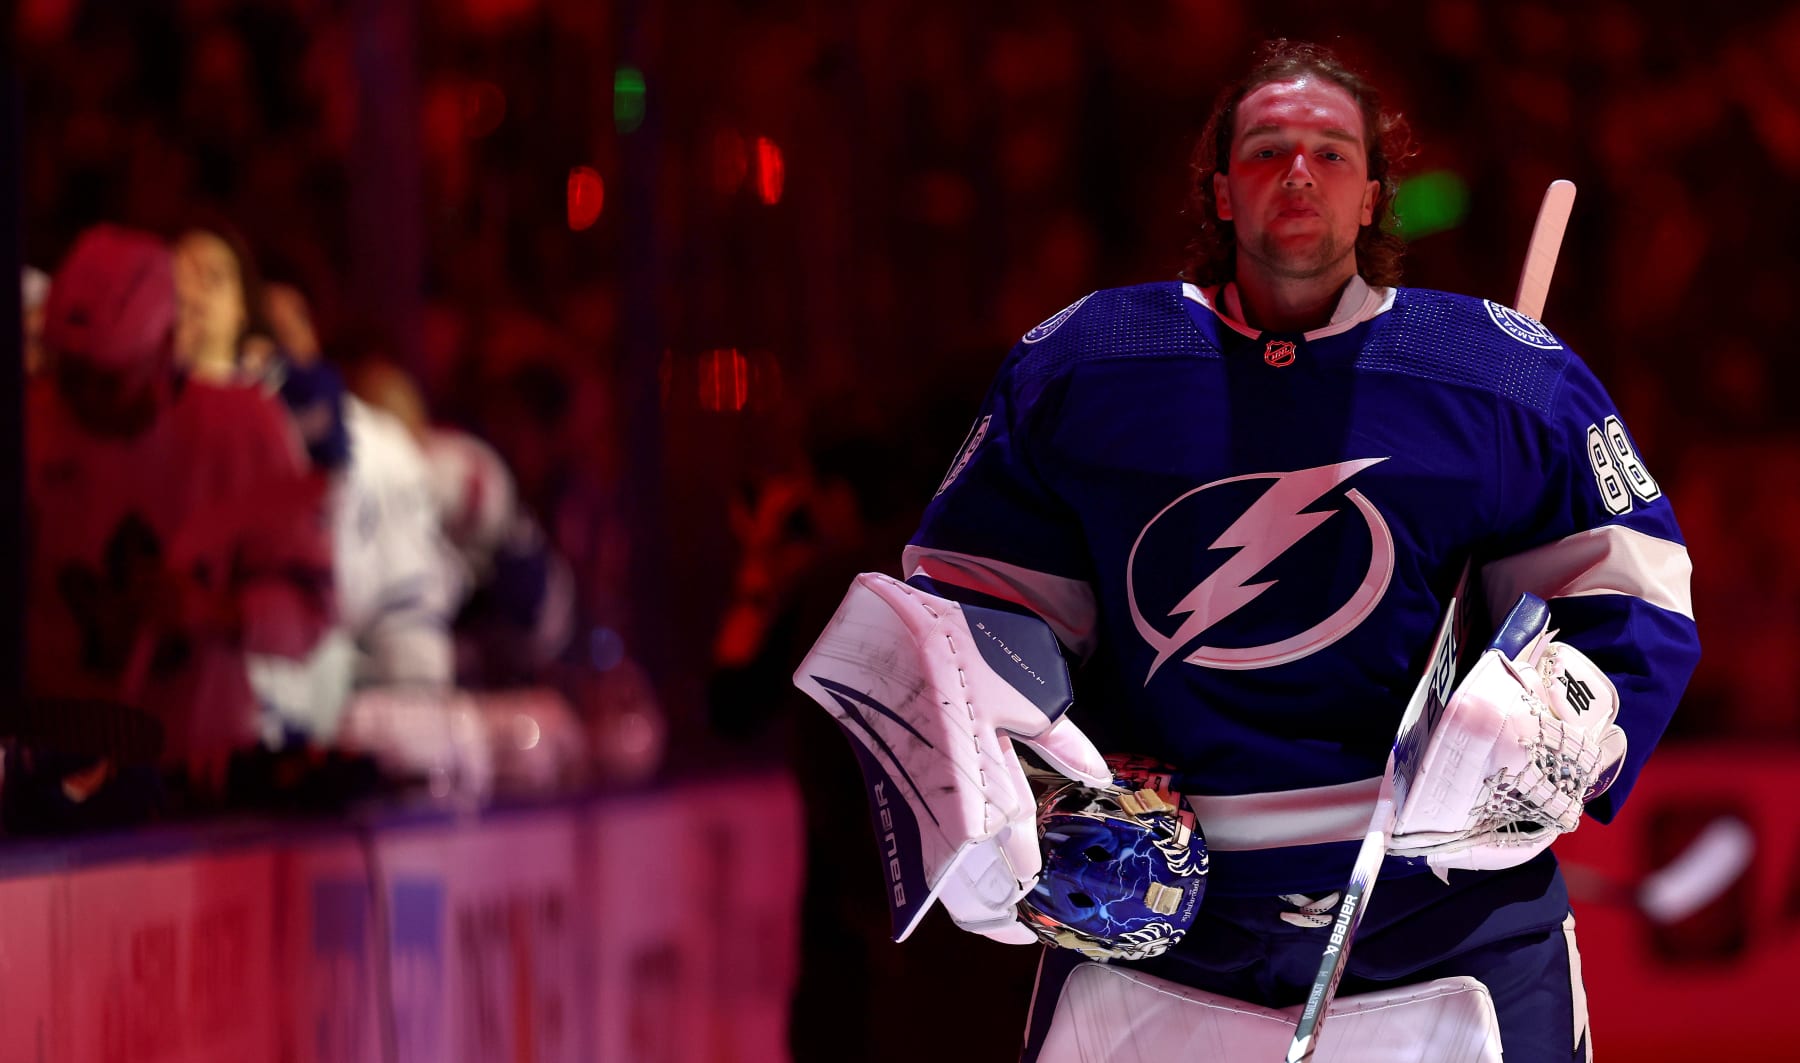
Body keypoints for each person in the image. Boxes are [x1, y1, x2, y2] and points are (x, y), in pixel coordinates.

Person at [793, 39, 1698, 1062]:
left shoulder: (1502, 377)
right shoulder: (1087, 368)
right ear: (1220, 191)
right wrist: (1041, 767)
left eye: (1330, 151)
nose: (1299, 171)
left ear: (1373, 197)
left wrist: (1566, 726)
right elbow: (973, 615)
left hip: (1449, 932)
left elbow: (1635, 601)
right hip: (1155, 941)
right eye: (1267, 151)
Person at [18, 224, 335, 828]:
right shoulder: (31, 426)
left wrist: (214, 612)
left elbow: (313, 608)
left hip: (197, 789)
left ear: (164, 349)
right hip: (52, 792)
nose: (82, 400)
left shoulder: (244, 431)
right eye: (69, 373)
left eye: (107, 380)